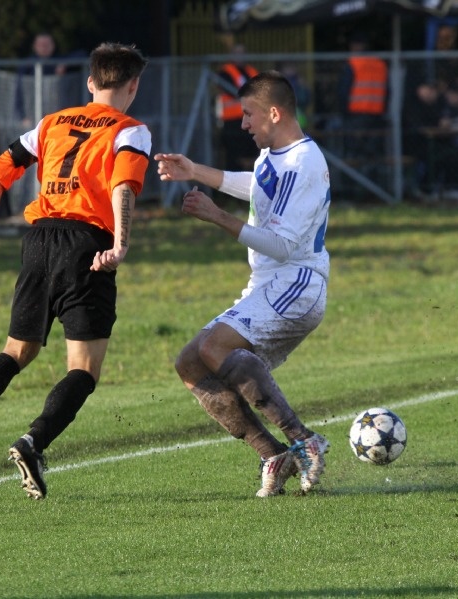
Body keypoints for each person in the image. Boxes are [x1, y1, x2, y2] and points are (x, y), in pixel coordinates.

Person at [0, 42, 152, 499]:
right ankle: (33, 442)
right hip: (87, 245)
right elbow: (124, 184)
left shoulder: (51, 123)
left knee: (16, 351)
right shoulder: (132, 129)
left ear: (90, 83)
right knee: (84, 369)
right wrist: (122, 244)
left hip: (39, 240)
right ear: (133, 86)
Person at [155, 71, 331, 497]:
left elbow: (284, 246)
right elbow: (259, 189)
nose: (243, 123)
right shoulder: (276, 156)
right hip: (269, 282)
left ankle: (304, 440)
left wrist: (217, 216)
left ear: (274, 112)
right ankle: (272, 453)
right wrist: (196, 171)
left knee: (216, 347)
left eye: (248, 114)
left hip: (297, 281)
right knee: (191, 362)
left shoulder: (306, 162)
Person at [338, 34, 388, 182]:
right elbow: (387, 92)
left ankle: (351, 189)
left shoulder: (353, 64)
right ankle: (376, 188)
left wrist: (343, 113)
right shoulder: (381, 64)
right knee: (373, 156)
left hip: (355, 116)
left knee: (353, 155)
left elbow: (343, 92)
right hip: (376, 116)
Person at [215, 43, 259, 171]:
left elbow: (260, 89)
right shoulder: (226, 71)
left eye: (242, 53)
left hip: (251, 119)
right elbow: (231, 89)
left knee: (251, 156)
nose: (240, 56)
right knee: (234, 158)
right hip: (232, 122)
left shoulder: (251, 71)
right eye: (237, 53)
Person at [15, 33, 67, 126]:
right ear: (34, 46)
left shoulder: (59, 60)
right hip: (32, 117)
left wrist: (65, 64)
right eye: (41, 45)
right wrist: (22, 116)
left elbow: (82, 54)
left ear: (53, 46)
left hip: (57, 117)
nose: (44, 48)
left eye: (47, 45)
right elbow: (19, 92)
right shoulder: (27, 66)